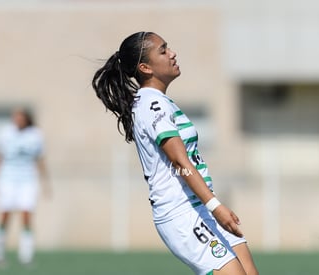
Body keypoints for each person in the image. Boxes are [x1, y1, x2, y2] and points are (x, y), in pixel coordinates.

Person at [92, 31, 259, 275]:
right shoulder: (152, 104)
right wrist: (215, 206)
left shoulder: (162, 102)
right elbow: (179, 161)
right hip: (182, 214)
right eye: (163, 50)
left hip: (200, 207)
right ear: (145, 67)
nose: (172, 53)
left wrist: (211, 205)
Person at [0, 108, 50, 265]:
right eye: (15, 117)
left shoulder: (36, 135)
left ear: (27, 119)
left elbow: (40, 159)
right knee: (4, 215)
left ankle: (26, 256)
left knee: (27, 216)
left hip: (27, 181)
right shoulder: (5, 133)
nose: (18, 120)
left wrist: (45, 183)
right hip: (8, 180)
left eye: (20, 117)